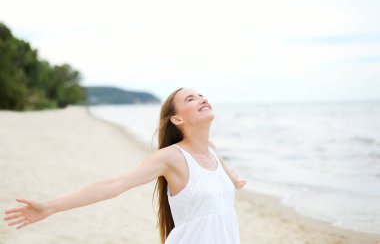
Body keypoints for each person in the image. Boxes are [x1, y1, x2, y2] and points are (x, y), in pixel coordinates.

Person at [4, 87, 246, 244]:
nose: (202, 98)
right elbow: (115, 184)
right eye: (191, 98)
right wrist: (50, 207)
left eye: (201, 94)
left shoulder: (212, 150)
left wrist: (235, 179)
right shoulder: (171, 158)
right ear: (177, 119)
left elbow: (226, 173)